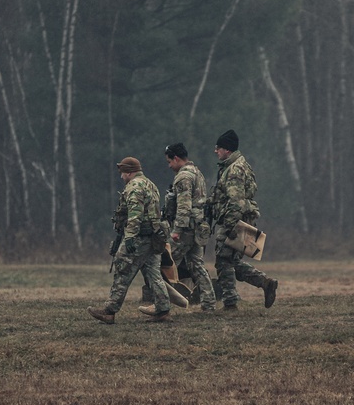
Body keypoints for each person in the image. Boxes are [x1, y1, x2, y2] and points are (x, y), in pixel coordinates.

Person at [88, 157, 172, 324]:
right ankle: (163, 309)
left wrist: (130, 238)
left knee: (123, 269)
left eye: (122, 173)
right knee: (153, 273)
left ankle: (109, 311)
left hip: (140, 237)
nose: (121, 177)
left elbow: (135, 214)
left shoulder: (134, 187)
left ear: (129, 172)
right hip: (154, 237)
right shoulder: (150, 184)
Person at [210, 129, 277, 311]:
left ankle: (230, 303)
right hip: (241, 219)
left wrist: (231, 226)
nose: (216, 151)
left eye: (219, 148)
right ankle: (265, 283)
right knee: (232, 261)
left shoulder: (233, 170)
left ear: (228, 150)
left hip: (234, 221)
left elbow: (236, 201)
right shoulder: (238, 165)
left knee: (224, 260)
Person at [163, 142, 217, 310]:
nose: (169, 165)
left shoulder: (183, 176)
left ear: (177, 158)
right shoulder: (197, 172)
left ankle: (161, 304)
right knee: (197, 265)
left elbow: (184, 206)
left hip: (186, 229)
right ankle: (209, 303)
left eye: (169, 161)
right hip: (198, 227)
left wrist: (177, 230)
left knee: (166, 264)